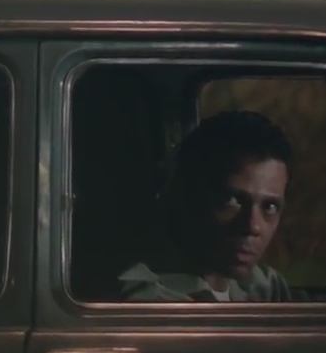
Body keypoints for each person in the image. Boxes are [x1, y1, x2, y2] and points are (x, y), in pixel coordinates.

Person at [119, 110, 299, 302]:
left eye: (269, 207)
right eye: (231, 201)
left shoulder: (264, 286)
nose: (252, 226)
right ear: (189, 194)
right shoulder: (149, 301)